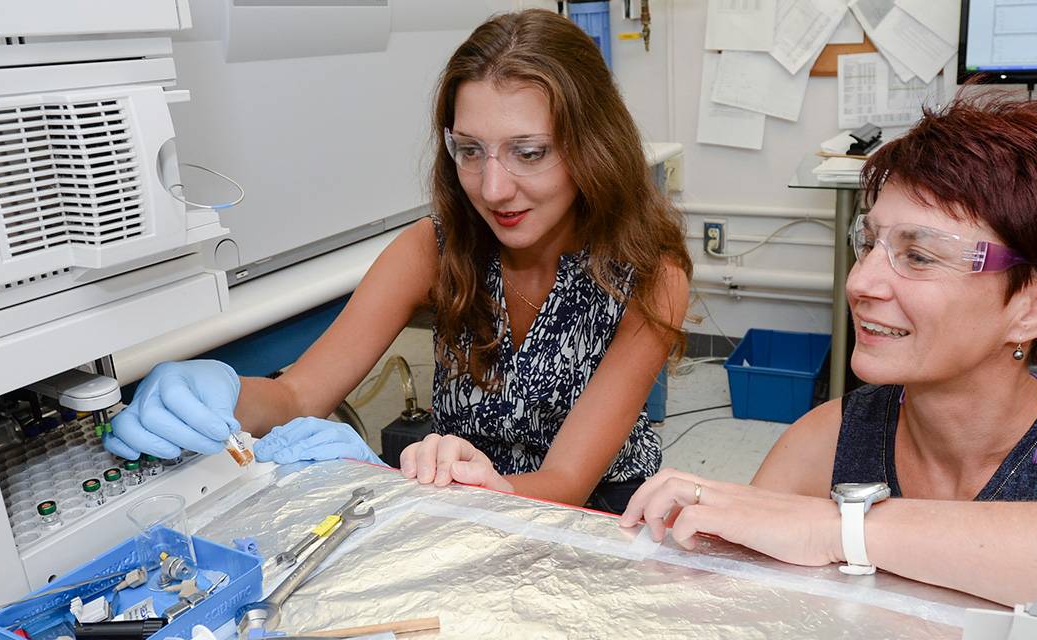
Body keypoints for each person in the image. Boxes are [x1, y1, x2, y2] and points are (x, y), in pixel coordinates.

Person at [617, 97, 1037, 638]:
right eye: (869, 243)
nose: (861, 282)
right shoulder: (827, 440)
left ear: (1035, 306)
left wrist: (842, 530)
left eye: (918, 254)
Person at [104, 10, 690, 514]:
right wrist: (218, 392)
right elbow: (300, 396)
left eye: (529, 153)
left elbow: (565, 484)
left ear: (593, 146)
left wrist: (477, 491)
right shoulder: (433, 248)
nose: (492, 189)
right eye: (469, 151)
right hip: (454, 503)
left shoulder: (649, 274)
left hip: (591, 517)